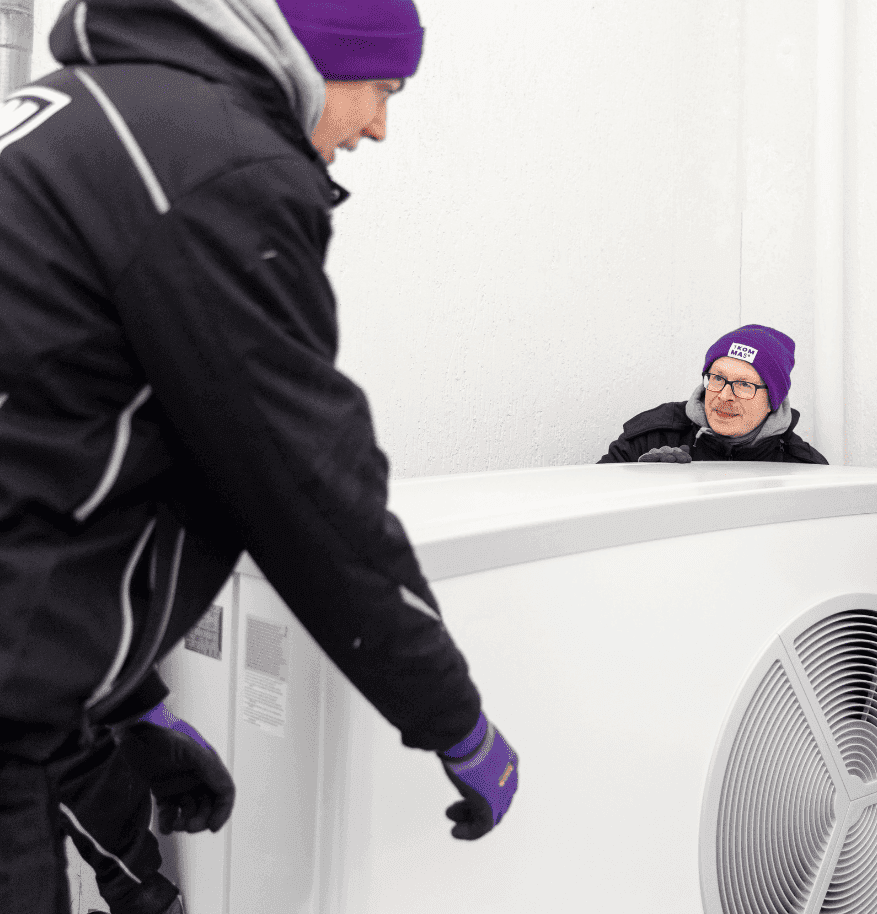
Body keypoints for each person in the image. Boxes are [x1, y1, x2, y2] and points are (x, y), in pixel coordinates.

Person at [0, 2, 517, 913]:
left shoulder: (80, 108)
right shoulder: (219, 165)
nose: (380, 129)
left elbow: (46, 443)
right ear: (320, 58)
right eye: (381, 91)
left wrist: (128, 702)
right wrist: (454, 720)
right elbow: (306, 491)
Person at [598, 324, 828, 465]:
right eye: (717, 379)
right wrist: (638, 480)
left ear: (773, 400)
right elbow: (595, 499)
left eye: (744, 385)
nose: (725, 395)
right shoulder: (652, 438)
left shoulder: (800, 467)